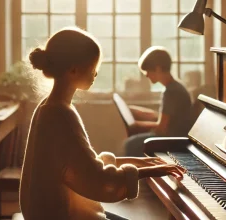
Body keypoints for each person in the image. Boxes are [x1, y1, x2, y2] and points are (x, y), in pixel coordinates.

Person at [19, 27, 185, 220]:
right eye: (93, 68)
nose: (96, 74)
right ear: (73, 69)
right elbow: (96, 179)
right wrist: (150, 171)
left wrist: (140, 162)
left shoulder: (49, 106)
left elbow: (82, 166)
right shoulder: (60, 114)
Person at [124, 46, 192, 157]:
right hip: (177, 136)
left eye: (147, 71)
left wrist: (137, 126)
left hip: (174, 139)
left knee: (130, 144)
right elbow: (164, 117)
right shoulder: (175, 87)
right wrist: (138, 112)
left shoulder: (171, 91)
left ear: (158, 69)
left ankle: (135, 174)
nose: (146, 74)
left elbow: (161, 128)